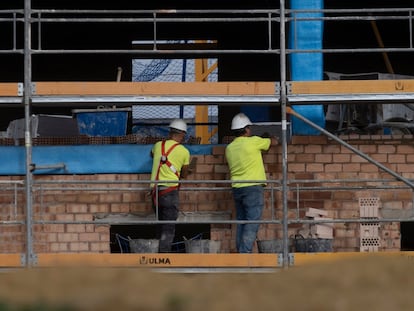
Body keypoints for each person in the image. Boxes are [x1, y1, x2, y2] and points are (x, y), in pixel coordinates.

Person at [225, 113, 278, 253]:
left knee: (241, 222)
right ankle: (244, 253)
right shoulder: (254, 141)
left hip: (237, 188)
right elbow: (273, 143)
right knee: (252, 221)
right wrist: (270, 137)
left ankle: (240, 252)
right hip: (252, 188)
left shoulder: (229, 148)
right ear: (246, 129)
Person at [150, 119, 191, 253]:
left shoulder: (157, 146)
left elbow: (152, 155)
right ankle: (164, 259)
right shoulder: (184, 152)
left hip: (155, 193)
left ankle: (156, 256)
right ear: (182, 134)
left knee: (159, 226)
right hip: (169, 192)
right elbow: (184, 175)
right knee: (168, 228)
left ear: (170, 132)